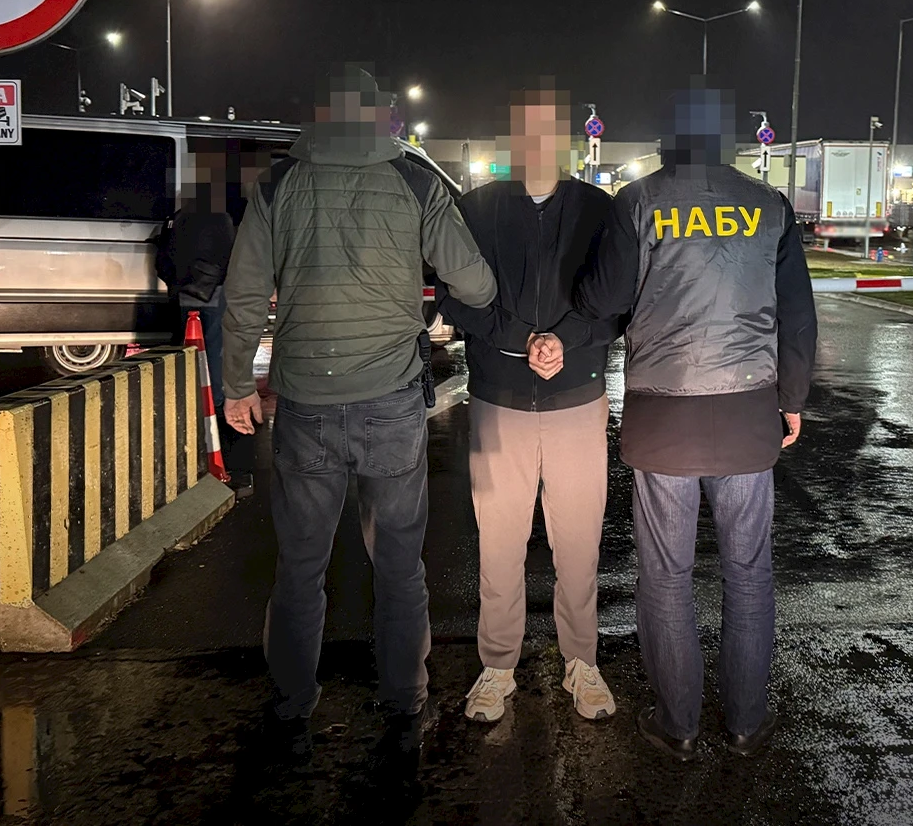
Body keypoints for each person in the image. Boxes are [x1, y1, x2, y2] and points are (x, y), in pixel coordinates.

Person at [220, 64, 496, 754]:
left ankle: (292, 705)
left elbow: (244, 293)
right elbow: (476, 285)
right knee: (399, 563)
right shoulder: (416, 181)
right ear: (381, 117)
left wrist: (236, 384)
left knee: (300, 566)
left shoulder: (279, 183)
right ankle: (405, 701)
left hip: (306, 404)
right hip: (390, 402)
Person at [574, 86, 817, 762]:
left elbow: (603, 299)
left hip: (664, 420)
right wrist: (791, 398)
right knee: (749, 572)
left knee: (666, 577)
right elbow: (796, 314)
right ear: (730, 138)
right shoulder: (769, 206)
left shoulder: (638, 201)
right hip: (746, 414)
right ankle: (745, 723)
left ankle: (677, 724)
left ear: (668, 137)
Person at [436, 85, 624, 724]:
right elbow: (454, 296)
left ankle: (582, 661)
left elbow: (618, 301)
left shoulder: (600, 211)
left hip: (577, 398)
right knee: (499, 542)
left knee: (579, 541)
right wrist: (522, 340)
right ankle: (497, 667)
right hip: (500, 400)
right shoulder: (476, 209)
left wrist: (565, 340)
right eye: (526, 131)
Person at [155, 161, 243, 481]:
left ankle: (185, 400)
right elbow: (232, 258)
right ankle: (214, 404)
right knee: (215, 350)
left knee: (186, 349)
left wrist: (176, 284)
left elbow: (163, 258)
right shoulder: (222, 219)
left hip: (184, 295)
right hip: (214, 295)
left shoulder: (180, 218)